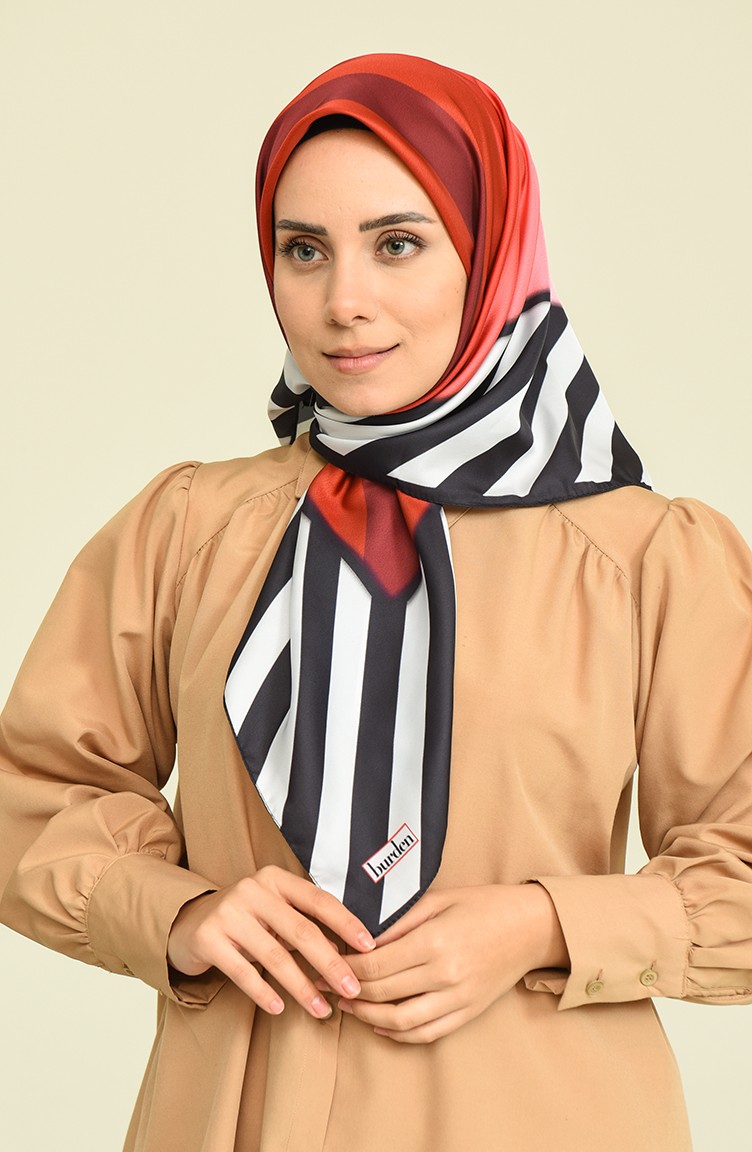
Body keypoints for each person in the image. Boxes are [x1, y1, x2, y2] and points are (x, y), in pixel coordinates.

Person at [1, 52, 751, 1152]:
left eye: (397, 243)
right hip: (232, 1115)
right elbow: (32, 791)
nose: (343, 302)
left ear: (489, 253)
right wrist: (182, 912)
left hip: (539, 1116)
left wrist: (542, 922)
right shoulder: (186, 530)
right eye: (303, 250)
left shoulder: (643, 556)